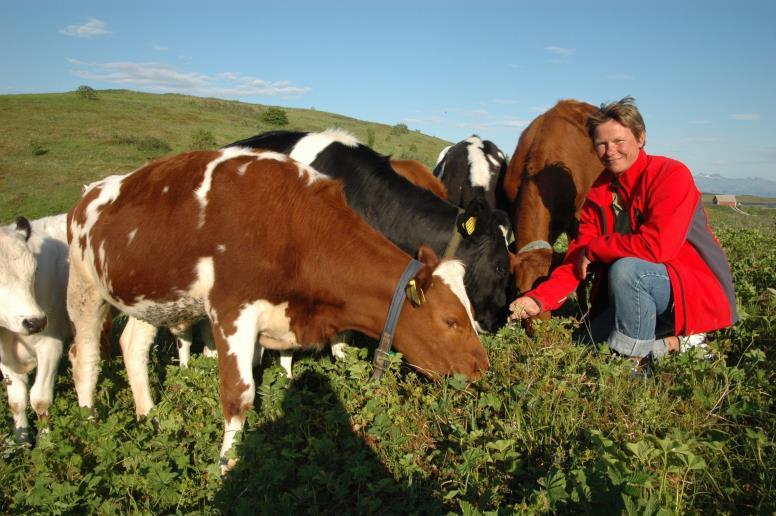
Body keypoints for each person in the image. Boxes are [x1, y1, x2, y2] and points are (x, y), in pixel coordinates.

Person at [509, 96, 737, 367]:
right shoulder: (599, 191)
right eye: (601, 144)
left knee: (628, 270)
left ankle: (633, 363)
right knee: (588, 346)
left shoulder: (671, 174)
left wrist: (595, 249)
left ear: (640, 138)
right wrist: (539, 299)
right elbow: (576, 259)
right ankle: (678, 343)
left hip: (690, 288)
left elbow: (657, 248)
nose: (610, 151)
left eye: (619, 141)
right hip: (639, 291)